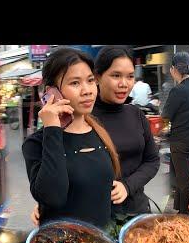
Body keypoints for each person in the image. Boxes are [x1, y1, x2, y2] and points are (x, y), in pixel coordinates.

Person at [22, 47, 121, 229]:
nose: (87, 90)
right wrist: (52, 127)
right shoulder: (36, 143)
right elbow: (53, 197)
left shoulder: (99, 131)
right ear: (52, 92)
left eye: (90, 81)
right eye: (75, 83)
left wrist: (124, 187)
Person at [93, 46, 160, 218]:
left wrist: (127, 186)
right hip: (97, 218)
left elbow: (152, 160)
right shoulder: (83, 118)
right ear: (97, 77)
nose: (124, 84)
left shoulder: (136, 114)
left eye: (130, 76)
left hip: (137, 212)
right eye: (116, 75)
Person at [162, 52, 189, 213]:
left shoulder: (178, 90)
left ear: (173, 69)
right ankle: (181, 207)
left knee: (183, 179)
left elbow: (165, 115)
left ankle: (186, 214)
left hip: (180, 141)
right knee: (184, 176)